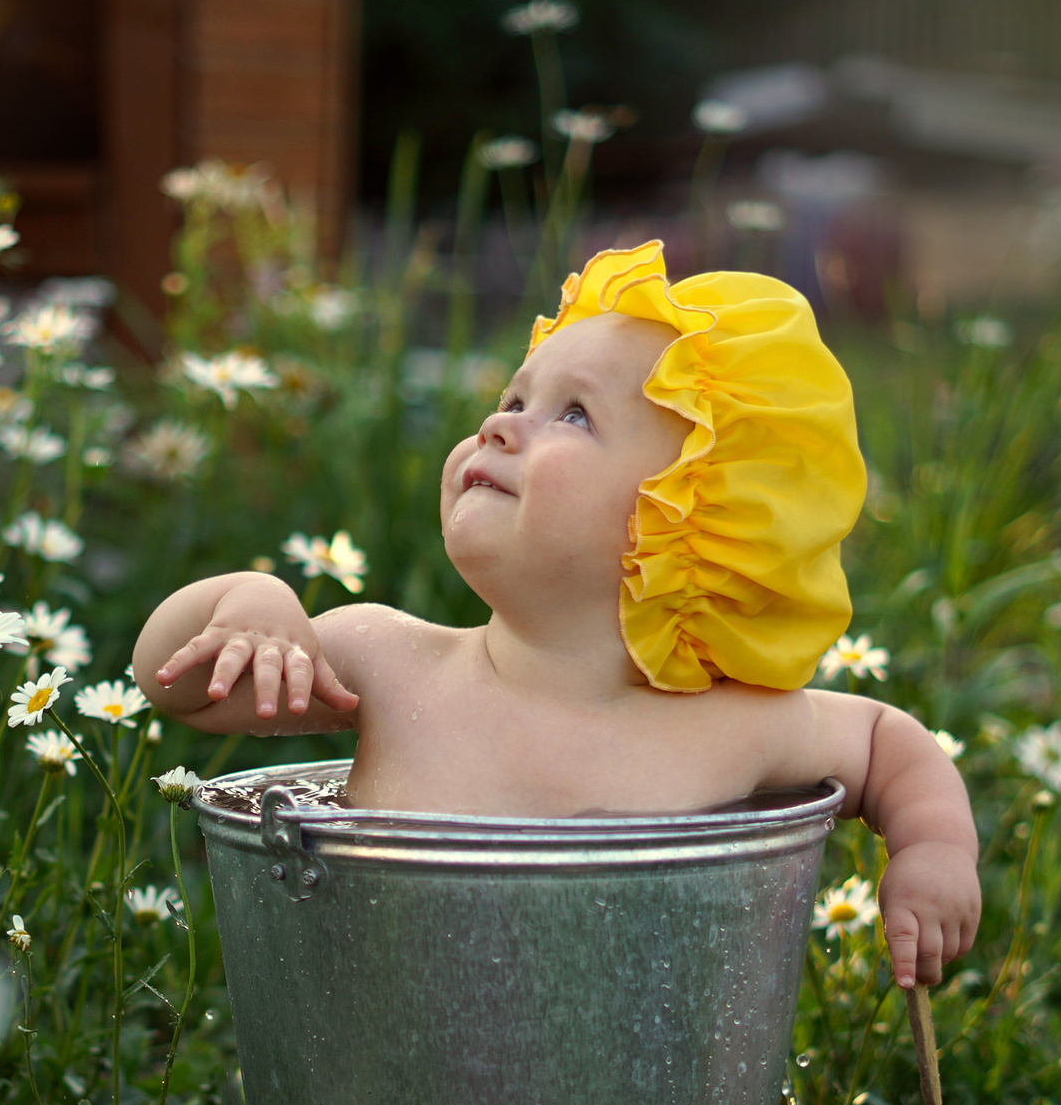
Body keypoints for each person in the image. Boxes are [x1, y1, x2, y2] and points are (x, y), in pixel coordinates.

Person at [135, 242, 979, 989]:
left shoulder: (729, 727)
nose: (502, 423)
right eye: (513, 396)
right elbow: (178, 690)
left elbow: (881, 741)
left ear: (686, 517)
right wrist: (254, 603)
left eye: (573, 414)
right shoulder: (388, 663)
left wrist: (934, 850)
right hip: (381, 1078)